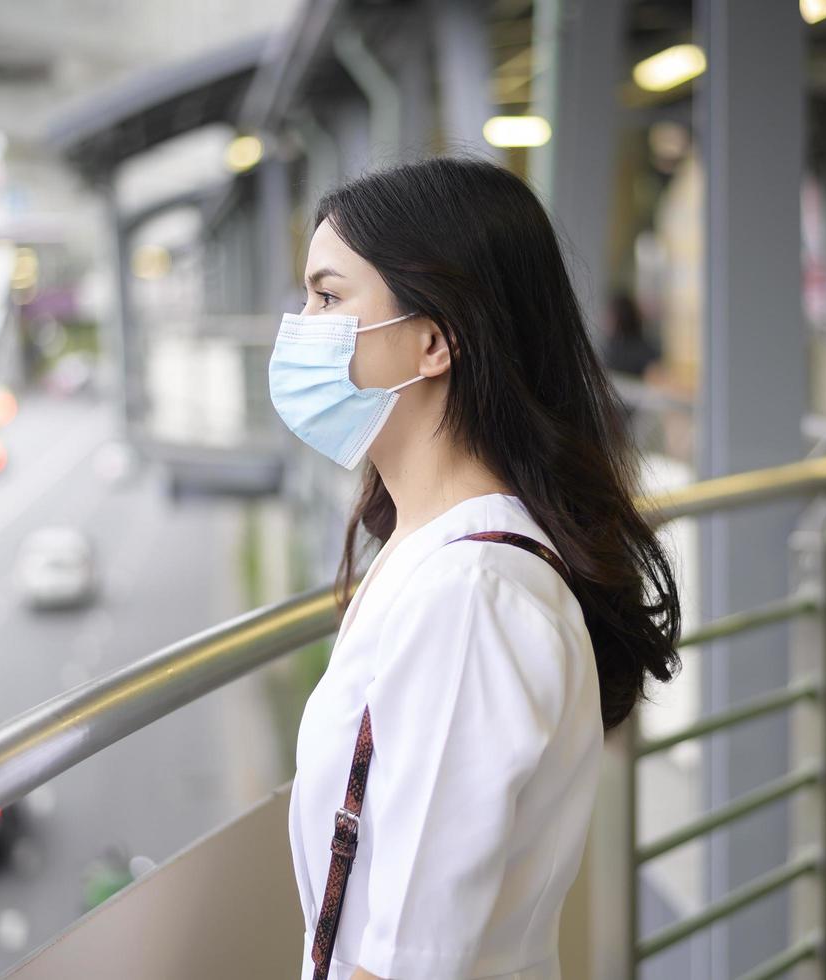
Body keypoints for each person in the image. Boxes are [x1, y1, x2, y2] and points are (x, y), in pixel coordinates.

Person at [272, 158, 681, 980]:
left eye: (327, 296)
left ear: (431, 342)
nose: (300, 325)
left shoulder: (470, 596)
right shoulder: (432, 548)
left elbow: (408, 961)